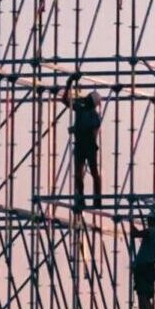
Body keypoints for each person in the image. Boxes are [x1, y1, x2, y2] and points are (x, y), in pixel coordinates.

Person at [60, 73, 103, 210]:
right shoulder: (80, 108)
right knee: (78, 174)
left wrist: (75, 129)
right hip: (81, 145)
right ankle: (81, 200)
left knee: (94, 172)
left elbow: (91, 131)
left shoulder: (94, 115)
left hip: (88, 146)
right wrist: (69, 83)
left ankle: (97, 200)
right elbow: (65, 100)